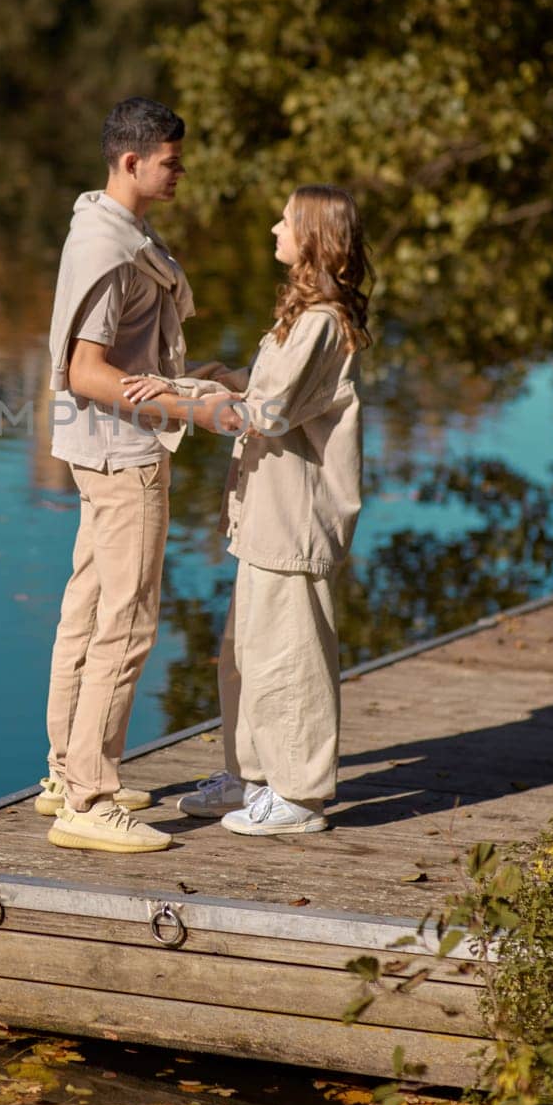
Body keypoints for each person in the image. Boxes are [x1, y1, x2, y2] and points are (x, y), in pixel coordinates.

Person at [123, 184, 372, 836]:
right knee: (247, 652)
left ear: (313, 236)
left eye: (285, 220)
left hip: (295, 516)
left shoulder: (322, 320)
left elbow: (266, 414)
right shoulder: (305, 313)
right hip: (265, 513)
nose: (272, 228)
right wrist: (218, 376)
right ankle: (250, 776)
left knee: (292, 656)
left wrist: (181, 396)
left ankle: (300, 796)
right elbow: (264, 388)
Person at [40, 97, 230, 856]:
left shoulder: (108, 227)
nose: (180, 171)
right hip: (123, 451)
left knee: (86, 610)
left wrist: (207, 378)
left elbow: (124, 358)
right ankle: (87, 799)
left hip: (99, 448)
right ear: (131, 162)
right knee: (127, 620)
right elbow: (85, 371)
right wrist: (189, 407)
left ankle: (66, 773)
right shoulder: (110, 251)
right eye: (172, 161)